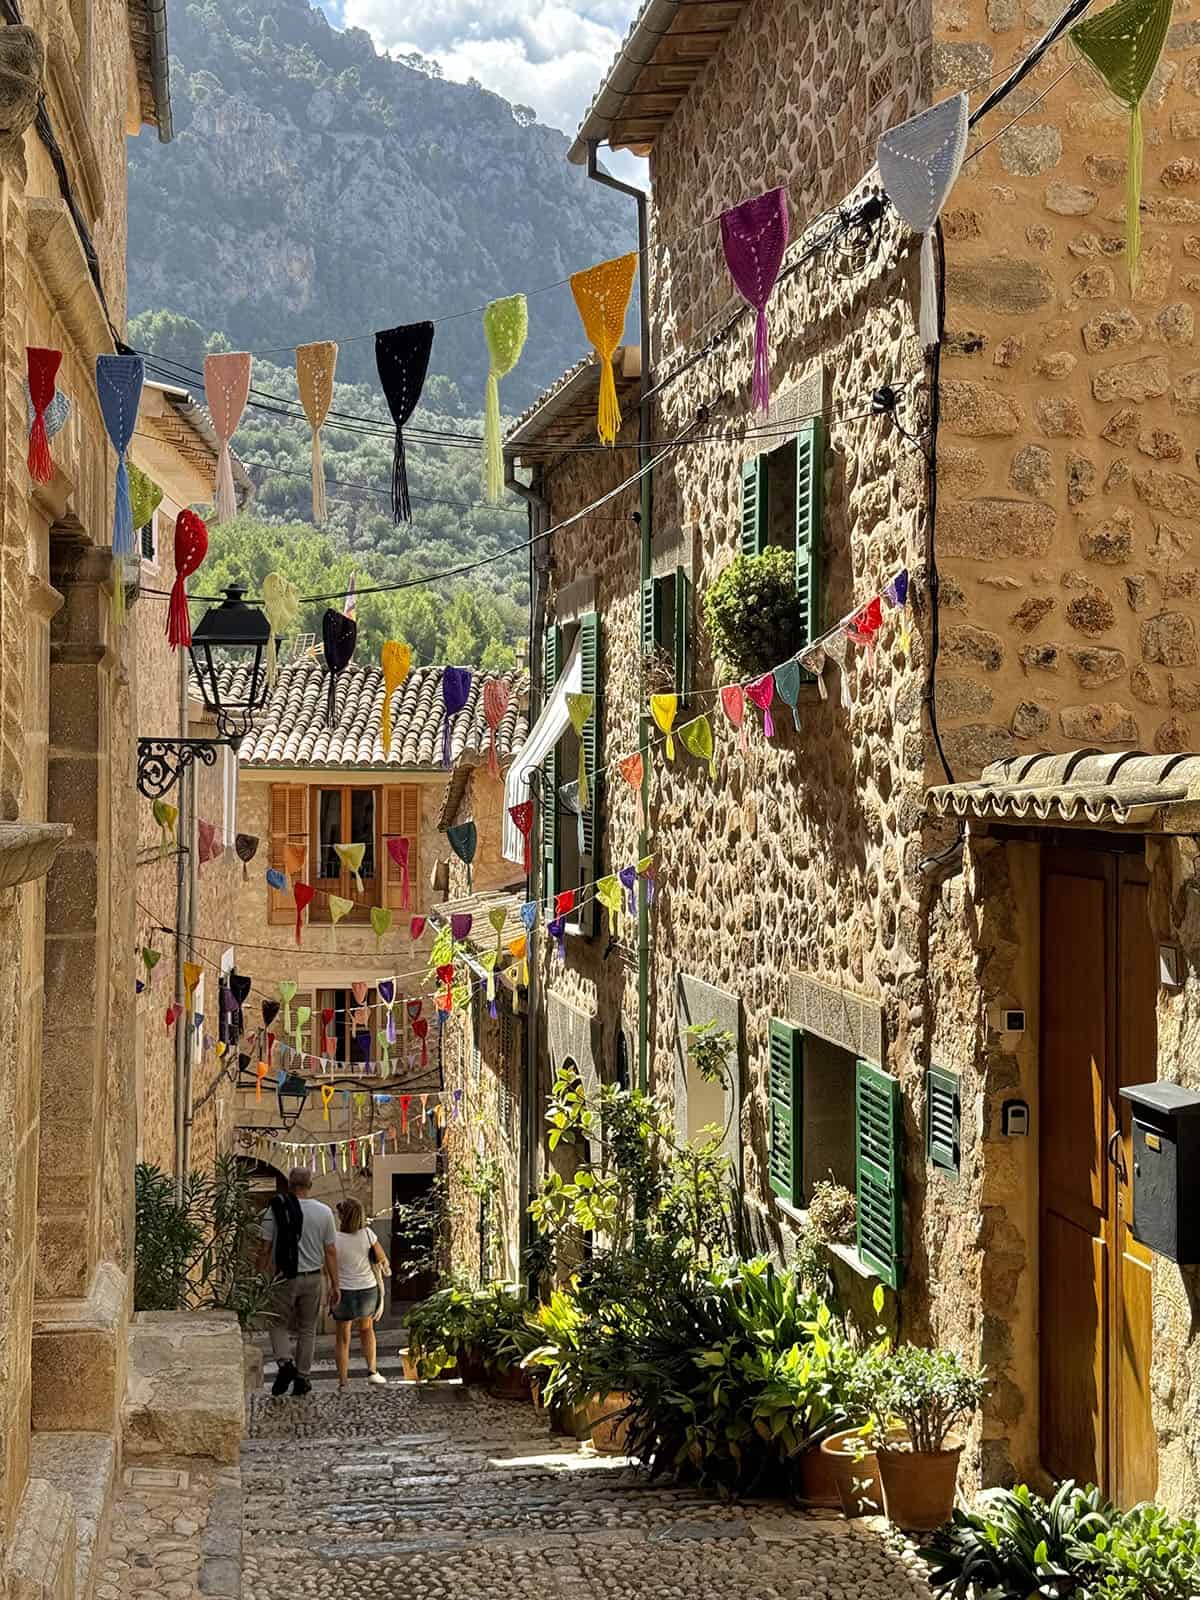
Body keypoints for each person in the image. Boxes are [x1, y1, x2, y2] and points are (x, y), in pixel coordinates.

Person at [258, 1167, 340, 1397]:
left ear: (289, 1185)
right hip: (313, 1277)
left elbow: (264, 1249)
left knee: (277, 1323)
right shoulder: (324, 1212)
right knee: (308, 1329)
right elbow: (331, 1251)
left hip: (284, 1277)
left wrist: (259, 1275)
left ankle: (285, 1364)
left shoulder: (274, 1210)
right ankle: (303, 1377)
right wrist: (336, 1284)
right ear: (310, 1185)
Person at [332, 1197, 389, 1390]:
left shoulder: (334, 1238)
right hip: (367, 1289)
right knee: (367, 1330)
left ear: (342, 1217)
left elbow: (328, 1265)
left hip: (344, 1291)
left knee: (342, 1336)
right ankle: (372, 1372)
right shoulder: (368, 1235)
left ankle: (343, 1381)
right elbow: (382, 1259)